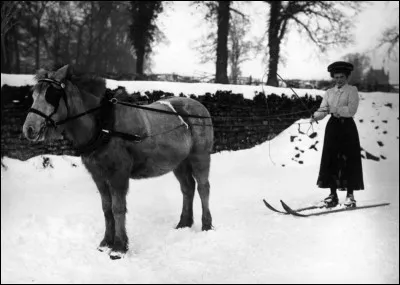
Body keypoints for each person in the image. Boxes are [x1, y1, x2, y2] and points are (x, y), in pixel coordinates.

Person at [311, 61, 364, 208]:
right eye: (336, 77)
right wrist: (316, 116)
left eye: (341, 77)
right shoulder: (329, 92)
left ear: (347, 77)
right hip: (333, 127)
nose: (339, 79)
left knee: (349, 160)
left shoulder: (352, 90)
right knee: (331, 159)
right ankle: (332, 195)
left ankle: (350, 196)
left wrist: (335, 109)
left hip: (347, 128)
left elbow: (351, 110)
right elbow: (323, 109)